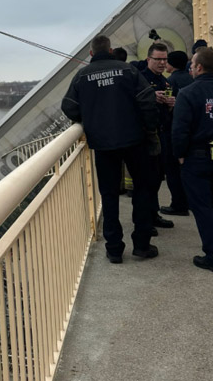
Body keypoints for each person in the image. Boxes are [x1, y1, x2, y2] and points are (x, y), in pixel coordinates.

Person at [62, 34, 159, 263]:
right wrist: (150, 129)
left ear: (92, 54)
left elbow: (69, 107)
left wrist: (89, 119)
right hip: (135, 140)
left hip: (103, 144)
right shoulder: (128, 70)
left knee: (109, 194)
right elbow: (147, 100)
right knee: (143, 190)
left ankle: (114, 249)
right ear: (112, 50)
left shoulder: (82, 75)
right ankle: (142, 245)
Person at [171, 46, 213, 271]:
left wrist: (179, 155)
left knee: (203, 207)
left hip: (198, 158)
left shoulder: (188, 93)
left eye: (193, 64)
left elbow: (180, 131)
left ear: (198, 67)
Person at [141, 42, 177, 229]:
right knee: (148, 180)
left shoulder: (165, 81)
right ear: (149, 59)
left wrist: (171, 104)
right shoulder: (141, 80)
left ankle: (153, 215)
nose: (163, 63)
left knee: (157, 178)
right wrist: (151, 96)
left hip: (163, 133)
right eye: (158, 59)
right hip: (147, 136)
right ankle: (147, 219)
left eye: (165, 59)